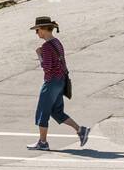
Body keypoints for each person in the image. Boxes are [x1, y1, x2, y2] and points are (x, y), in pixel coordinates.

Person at [28, 16, 90, 150]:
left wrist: (39, 54)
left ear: (43, 30)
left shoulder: (45, 47)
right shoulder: (57, 42)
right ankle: (81, 130)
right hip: (60, 81)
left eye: (37, 30)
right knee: (56, 111)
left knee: (42, 111)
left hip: (51, 82)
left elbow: (47, 67)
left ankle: (43, 142)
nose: (36, 33)